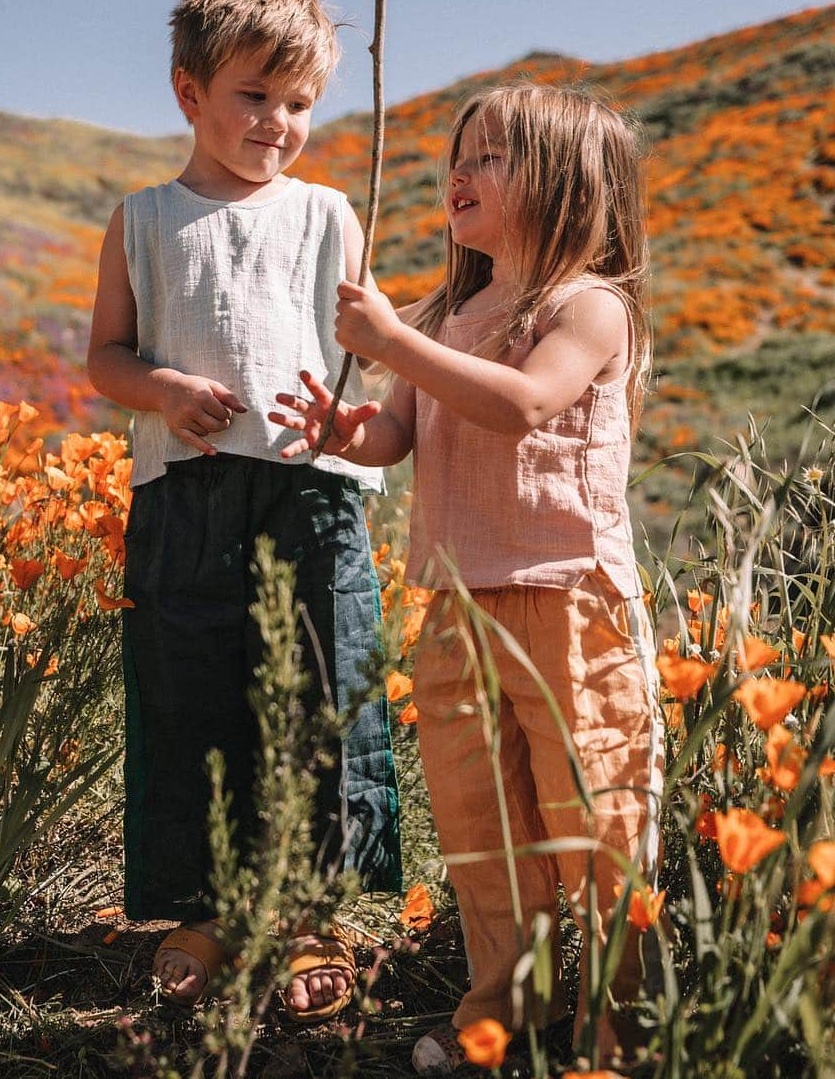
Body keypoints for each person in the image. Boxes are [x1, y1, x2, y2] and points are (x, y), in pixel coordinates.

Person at [270, 83, 662, 1069]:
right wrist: (355, 429)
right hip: (455, 597)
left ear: (570, 183)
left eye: (490, 157)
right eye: (462, 156)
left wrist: (395, 341)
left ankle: (618, 1023)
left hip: (567, 597)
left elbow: (525, 402)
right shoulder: (449, 306)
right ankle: (507, 1001)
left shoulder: (588, 306)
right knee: (483, 822)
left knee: (598, 820)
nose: (461, 174)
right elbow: (405, 427)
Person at [86, 0, 402, 1019]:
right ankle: (208, 910)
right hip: (185, 490)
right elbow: (107, 359)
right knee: (189, 692)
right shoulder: (141, 218)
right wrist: (161, 387)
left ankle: (312, 909)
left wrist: (359, 416)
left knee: (322, 688)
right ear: (190, 91)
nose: (278, 121)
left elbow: (371, 343)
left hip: (309, 491)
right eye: (253, 95)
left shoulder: (325, 215)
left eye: (300, 101)